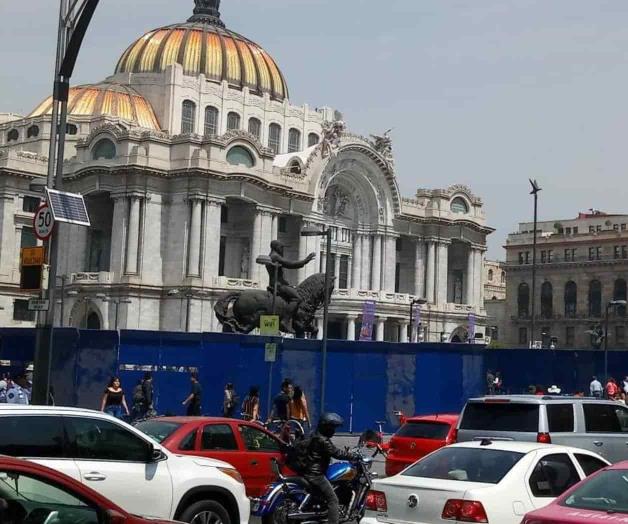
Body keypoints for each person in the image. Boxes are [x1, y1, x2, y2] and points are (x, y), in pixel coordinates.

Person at [298, 413, 359, 524]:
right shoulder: (323, 440)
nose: (333, 430)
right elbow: (336, 453)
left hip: (307, 471)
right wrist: (354, 456)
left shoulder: (314, 435)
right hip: (316, 474)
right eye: (332, 427)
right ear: (326, 427)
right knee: (333, 500)